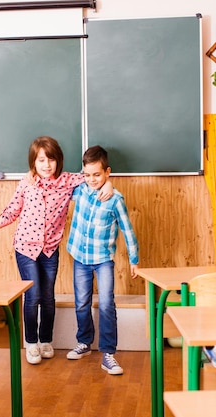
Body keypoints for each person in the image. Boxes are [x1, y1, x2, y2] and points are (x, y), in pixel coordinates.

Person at [0, 136, 113, 365]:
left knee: (48, 298)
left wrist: (109, 184)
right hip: (26, 248)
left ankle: (46, 341)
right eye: (41, 160)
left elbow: (93, 178)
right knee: (33, 296)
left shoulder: (68, 181)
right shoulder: (27, 183)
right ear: (33, 162)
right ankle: (31, 343)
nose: (46, 165)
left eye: (51, 160)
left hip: (49, 250)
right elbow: (11, 211)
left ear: (59, 161)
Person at [65, 145, 139, 375]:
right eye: (87, 175)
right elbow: (59, 180)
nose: (92, 179)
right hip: (80, 257)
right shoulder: (79, 190)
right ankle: (84, 342)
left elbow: (127, 231)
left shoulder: (115, 199)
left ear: (108, 172)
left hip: (103, 258)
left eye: (97, 175)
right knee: (81, 303)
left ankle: (108, 353)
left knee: (107, 304)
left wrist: (134, 260)